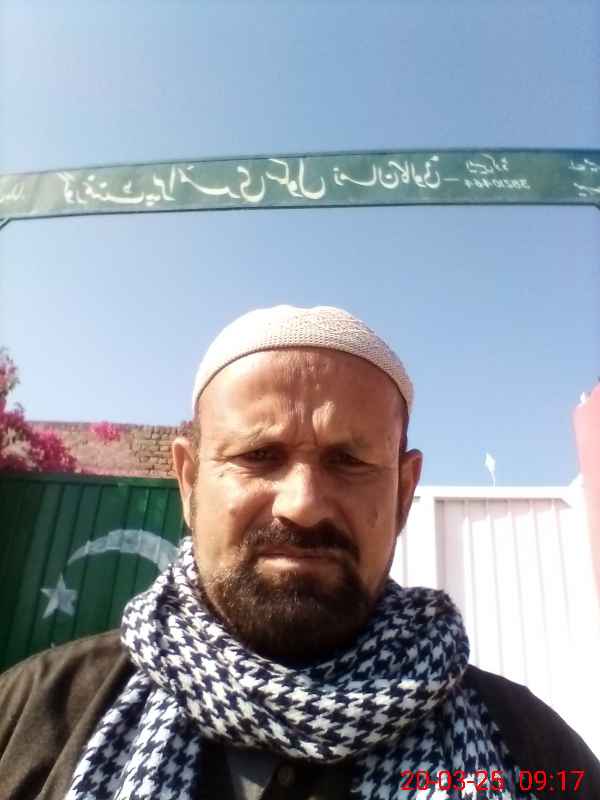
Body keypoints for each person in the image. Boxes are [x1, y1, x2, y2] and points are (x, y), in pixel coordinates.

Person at [0, 305, 598, 800]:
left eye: (349, 461)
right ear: (189, 482)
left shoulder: (534, 751)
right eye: (258, 456)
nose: (303, 505)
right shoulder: (31, 717)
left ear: (403, 493)